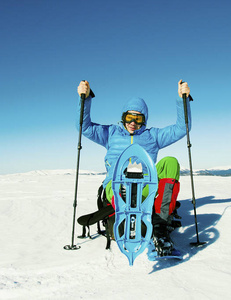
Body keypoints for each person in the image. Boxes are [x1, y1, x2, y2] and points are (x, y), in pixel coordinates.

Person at [76, 80, 192, 255]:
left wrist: (181, 99)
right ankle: (124, 215)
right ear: (123, 117)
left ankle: (159, 225)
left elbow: (182, 129)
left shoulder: (153, 136)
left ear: (144, 120)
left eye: (138, 118)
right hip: (115, 185)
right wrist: (85, 98)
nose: (133, 122)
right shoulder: (110, 134)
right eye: (129, 117)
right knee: (122, 181)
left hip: (146, 187)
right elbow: (84, 127)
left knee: (170, 162)